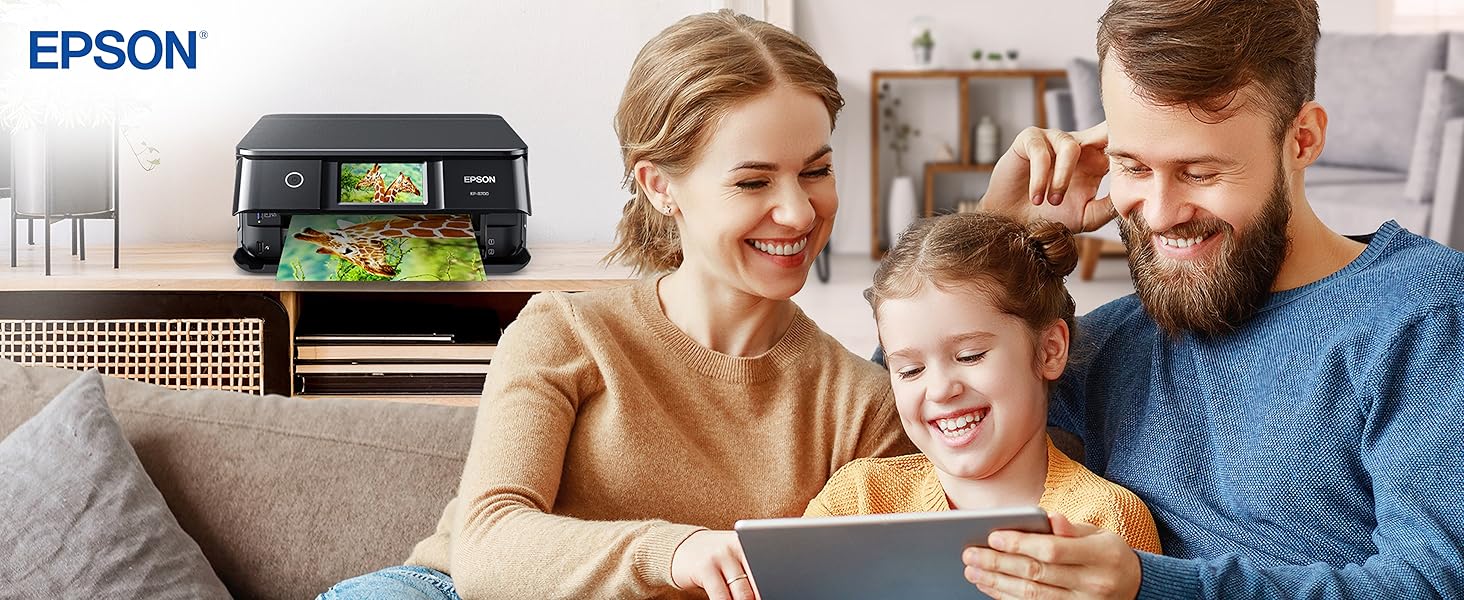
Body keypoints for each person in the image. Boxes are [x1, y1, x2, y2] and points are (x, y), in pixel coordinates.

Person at [317, 10, 913, 600]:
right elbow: (485, 547)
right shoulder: (568, 331)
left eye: (817, 171)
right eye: (753, 182)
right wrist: (672, 552)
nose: (801, 212)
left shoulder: (862, 405)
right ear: (658, 185)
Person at [955, 0, 1464, 598]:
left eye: (1198, 172)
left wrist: (1154, 586)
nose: (1161, 214)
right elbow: (896, 412)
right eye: (1133, 166)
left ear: (1302, 139)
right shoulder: (1117, 343)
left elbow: (1434, 581)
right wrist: (992, 241)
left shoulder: (1422, 313)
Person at [806, 213, 1161, 558]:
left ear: (1050, 350)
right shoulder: (858, 501)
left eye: (971, 356)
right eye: (911, 370)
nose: (941, 390)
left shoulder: (1106, 521)